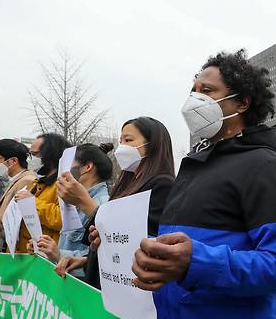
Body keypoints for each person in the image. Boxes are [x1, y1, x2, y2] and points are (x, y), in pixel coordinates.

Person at [129, 50, 276, 319]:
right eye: (193, 90)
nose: (195, 98)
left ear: (243, 103)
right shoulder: (195, 165)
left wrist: (196, 262)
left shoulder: (265, 166)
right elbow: (177, 243)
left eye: (207, 91)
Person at [54, 117, 175, 286]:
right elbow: (111, 242)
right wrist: (86, 259)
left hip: (132, 289)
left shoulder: (162, 185)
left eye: (128, 140)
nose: (121, 147)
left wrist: (85, 203)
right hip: (108, 281)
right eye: (120, 141)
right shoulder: (124, 186)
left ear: (153, 145)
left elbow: (134, 241)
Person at [27, 144, 112, 277]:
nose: (62, 172)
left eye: (68, 165)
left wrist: (58, 254)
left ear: (87, 167)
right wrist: (46, 249)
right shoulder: (73, 201)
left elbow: (101, 258)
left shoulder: (103, 205)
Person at [13, 133, 70, 253]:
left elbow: (63, 220)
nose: (30, 159)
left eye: (34, 154)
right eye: (29, 154)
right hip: (27, 251)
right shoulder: (38, 180)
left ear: (50, 155)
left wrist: (33, 202)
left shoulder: (64, 183)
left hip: (44, 255)